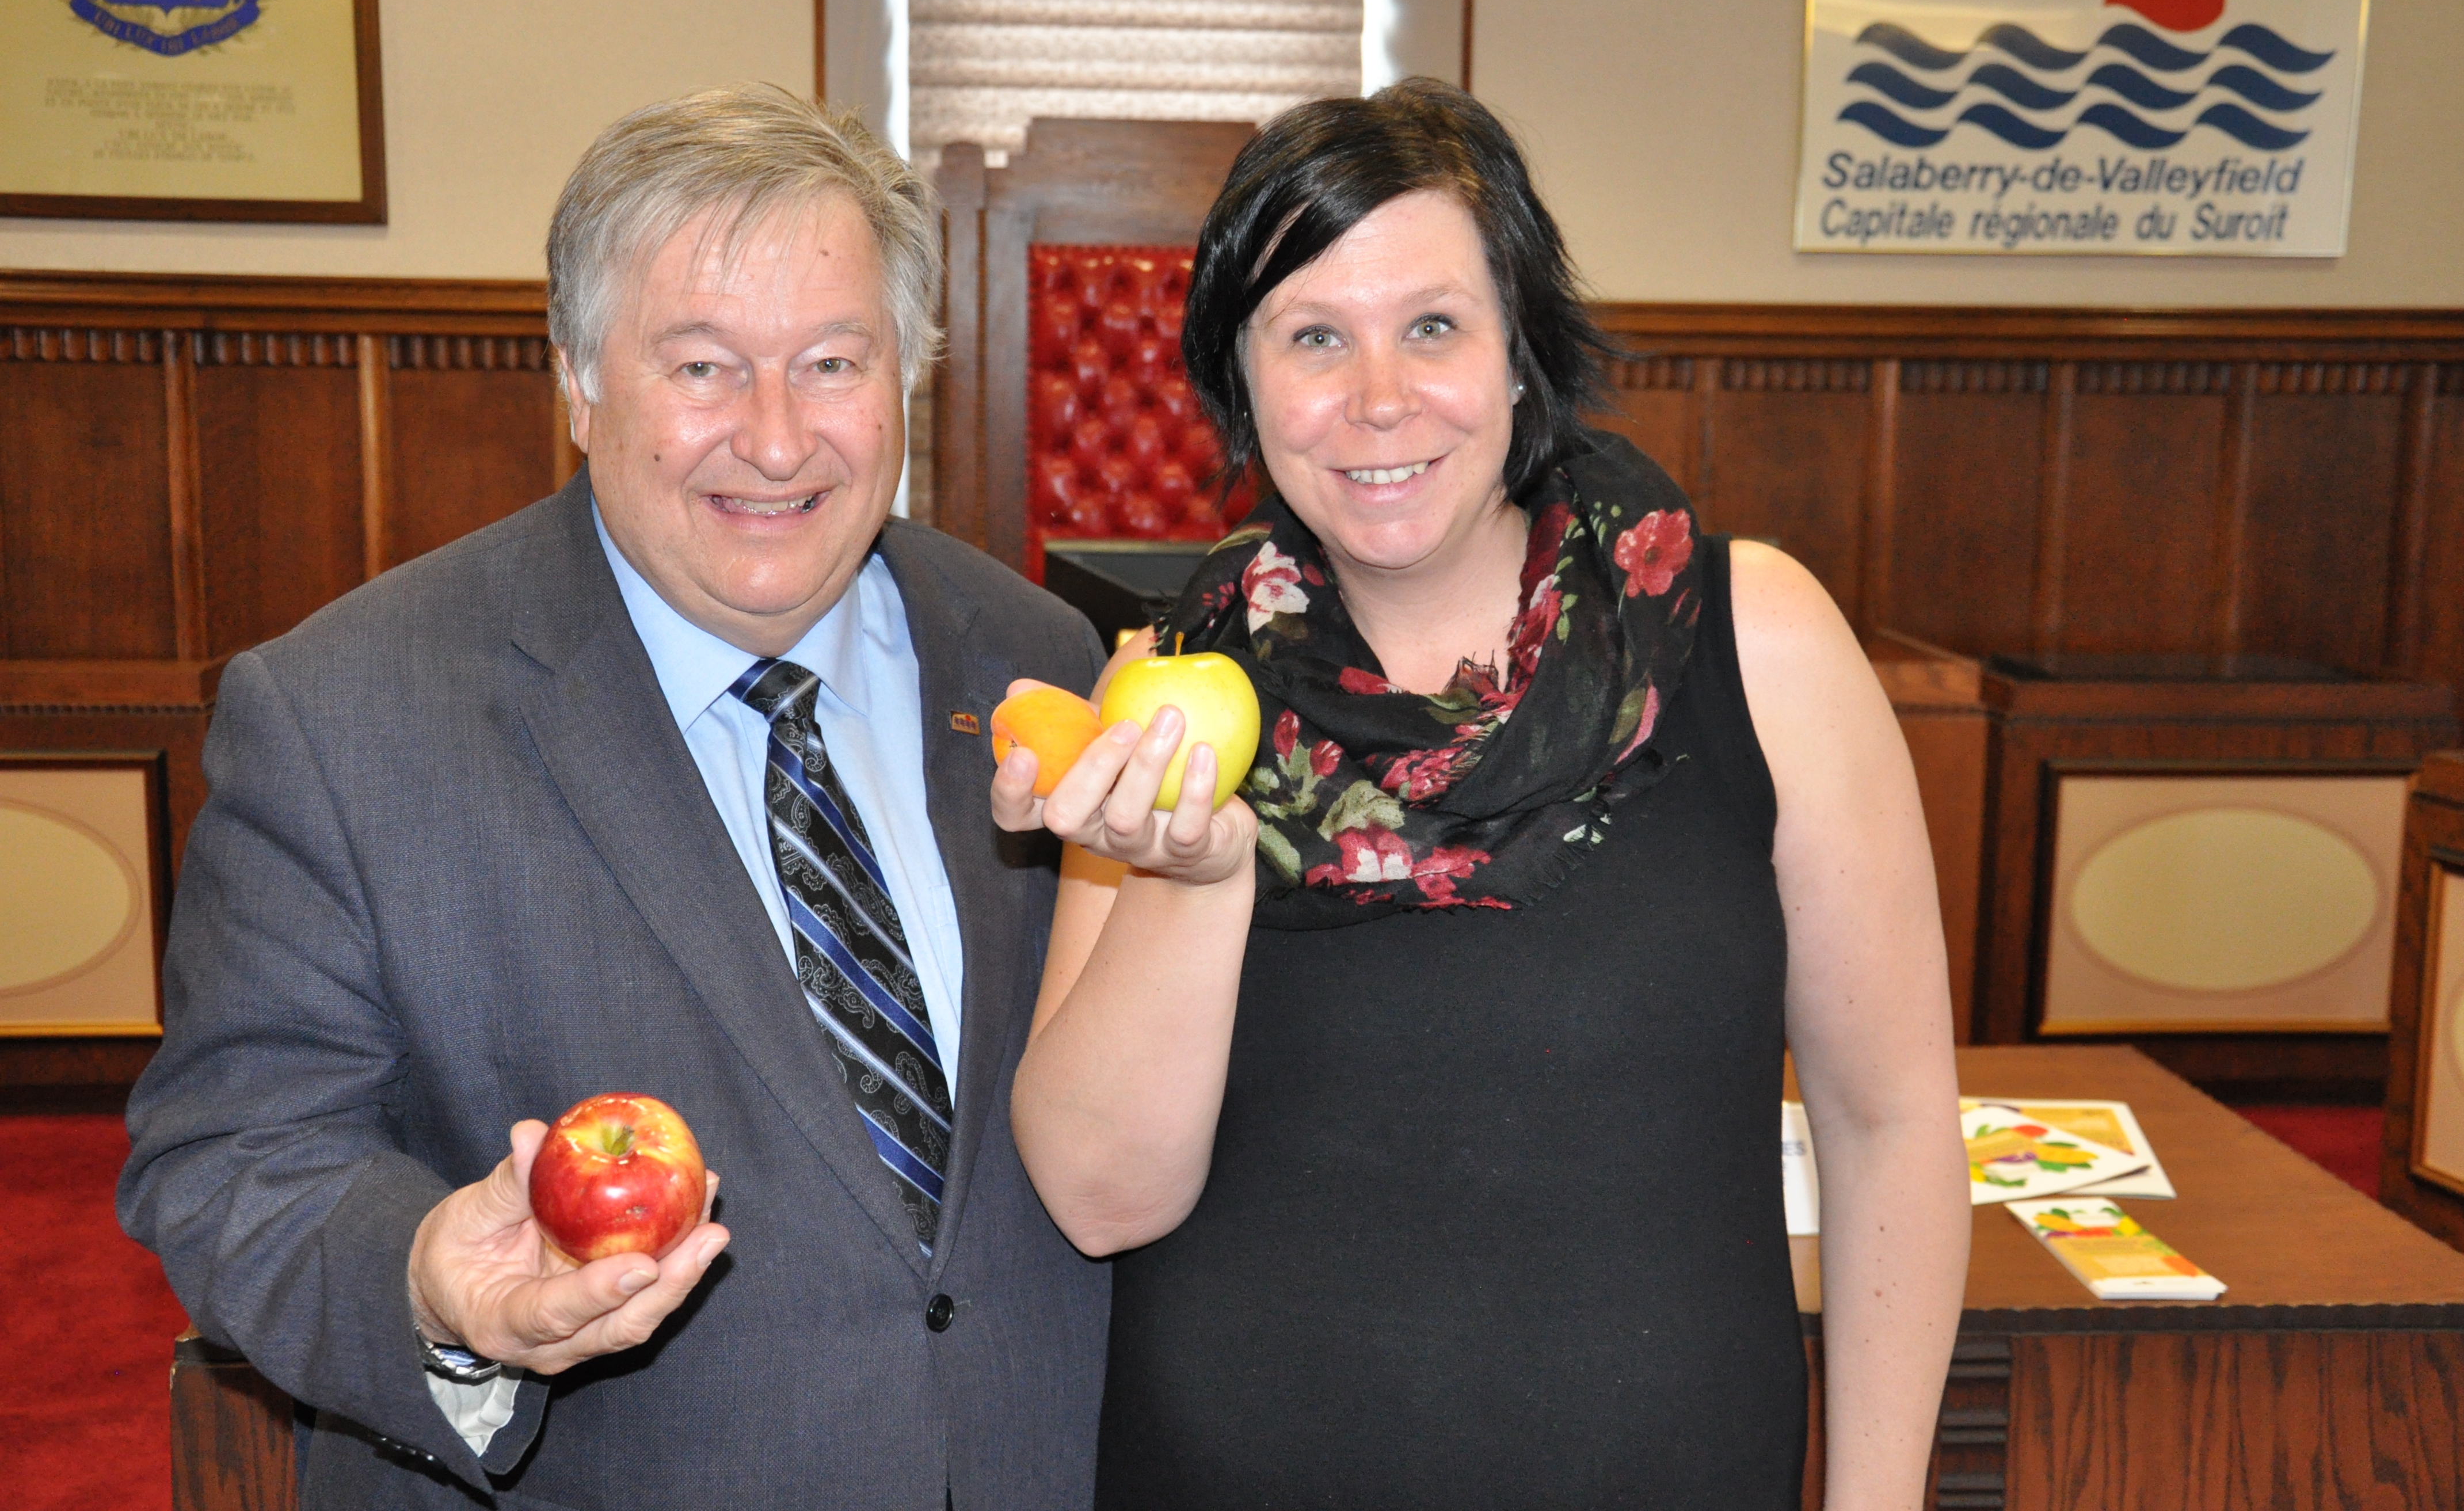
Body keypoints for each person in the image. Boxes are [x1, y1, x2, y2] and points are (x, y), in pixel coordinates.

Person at [120, 85, 1110, 1510]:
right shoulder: (345, 715)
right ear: (579, 383)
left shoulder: (1037, 660)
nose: (777, 439)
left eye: (832, 363)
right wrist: (434, 1282)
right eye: (702, 367)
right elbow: (234, 1160)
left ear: (907, 377)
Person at [995, 79, 1970, 1509]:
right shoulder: (1165, 694)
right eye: (1312, 336)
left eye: (1433, 326)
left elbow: (1889, 1121)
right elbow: (1097, 1196)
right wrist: (1193, 878)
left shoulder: (1749, 640)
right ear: (1240, 386)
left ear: (1520, 350)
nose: (1377, 398)